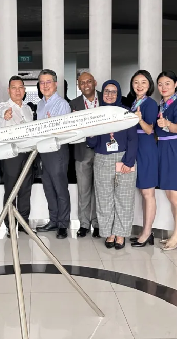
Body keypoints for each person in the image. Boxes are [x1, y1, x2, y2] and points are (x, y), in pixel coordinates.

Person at [87, 80, 138, 250]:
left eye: (113, 91)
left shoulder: (126, 113)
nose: (109, 95)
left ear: (119, 94)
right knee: (104, 199)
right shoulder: (97, 113)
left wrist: (128, 162)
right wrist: (91, 130)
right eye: (106, 91)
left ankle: (121, 234)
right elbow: (92, 142)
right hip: (102, 159)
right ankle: (109, 233)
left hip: (124, 158)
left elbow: (133, 139)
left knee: (124, 198)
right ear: (102, 94)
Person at [156, 71, 177, 251]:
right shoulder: (160, 105)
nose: (163, 87)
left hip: (176, 150)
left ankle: (176, 237)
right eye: (160, 84)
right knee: (170, 195)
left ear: (175, 84)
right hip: (162, 149)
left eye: (167, 83)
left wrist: (167, 124)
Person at [35, 69, 72, 239]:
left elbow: (64, 130)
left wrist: (51, 126)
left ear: (55, 84)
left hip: (57, 150)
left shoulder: (62, 104)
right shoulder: (40, 104)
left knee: (60, 188)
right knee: (48, 187)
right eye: (42, 82)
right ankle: (54, 220)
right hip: (43, 150)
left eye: (48, 82)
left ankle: (63, 224)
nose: (45, 85)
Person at [0, 76, 35, 238]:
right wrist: (6, 115)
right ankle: (10, 225)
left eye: (20, 87)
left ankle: (24, 223)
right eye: (14, 88)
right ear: (8, 90)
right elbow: (2, 113)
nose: (17, 91)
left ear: (24, 90)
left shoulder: (27, 108)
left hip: (28, 153)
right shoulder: (3, 106)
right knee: (11, 190)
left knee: (26, 189)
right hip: (11, 154)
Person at [128, 70, 159, 248]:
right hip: (136, 148)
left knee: (148, 193)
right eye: (136, 82)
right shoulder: (134, 102)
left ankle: (147, 233)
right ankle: (145, 232)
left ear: (149, 85)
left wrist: (139, 120)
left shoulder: (150, 103)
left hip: (146, 149)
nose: (139, 86)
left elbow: (149, 130)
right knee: (142, 192)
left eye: (143, 82)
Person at [69, 72, 101, 239]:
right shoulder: (73, 104)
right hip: (82, 150)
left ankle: (98, 224)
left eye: (89, 81)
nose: (86, 85)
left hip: (102, 150)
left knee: (100, 189)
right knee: (83, 190)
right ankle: (84, 224)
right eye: (82, 83)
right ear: (78, 86)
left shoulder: (105, 99)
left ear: (94, 82)